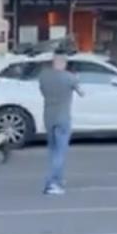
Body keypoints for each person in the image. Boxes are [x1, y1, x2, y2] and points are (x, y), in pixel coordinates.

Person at [38, 53, 84, 195]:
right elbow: (82, 92)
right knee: (60, 152)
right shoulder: (69, 78)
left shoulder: (44, 77)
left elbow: (43, 91)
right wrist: (76, 80)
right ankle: (52, 183)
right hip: (63, 118)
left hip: (49, 117)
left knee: (52, 150)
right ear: (64, 64)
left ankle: (59, 178)